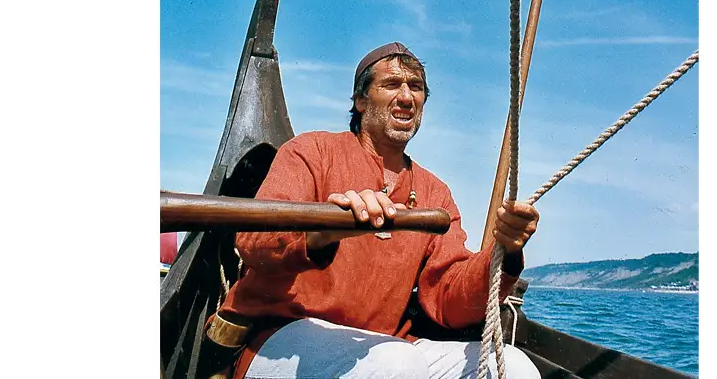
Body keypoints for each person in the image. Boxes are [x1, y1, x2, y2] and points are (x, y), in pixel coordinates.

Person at [210, 42, 542, 379]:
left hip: (384, 348)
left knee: (514, 368)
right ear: (360, 100)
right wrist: (321, 236)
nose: (406, 96)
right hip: (280, 337)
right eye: (391, 84)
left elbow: (448, 299)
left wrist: (506, 250)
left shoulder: (435, 193)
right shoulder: (312, 152)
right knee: (396, 363)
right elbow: (253, 242)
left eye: (415, 87)